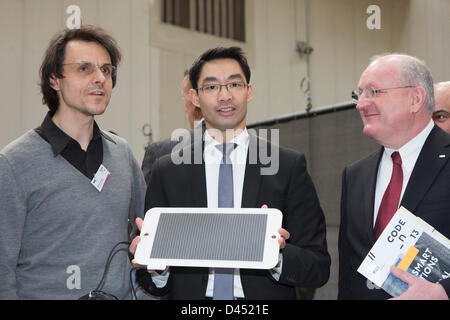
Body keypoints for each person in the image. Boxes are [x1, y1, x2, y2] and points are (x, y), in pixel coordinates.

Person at [130, 46, 330, 300]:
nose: (225, 96)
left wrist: (277, 256)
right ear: (194, 97)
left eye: (234, 84)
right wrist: (156, 268)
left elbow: (319, 265)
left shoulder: (287, 166)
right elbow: (149, 280)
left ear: (249, 91)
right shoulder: (168, 171)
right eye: (212, 87)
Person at [0, 25, 146, 299]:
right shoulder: (13, 164)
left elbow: (148, 241)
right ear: (54, 79)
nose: (99, 78)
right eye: (84, 69)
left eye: (106, 70)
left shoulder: (123, 155)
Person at [339, 53, 450, 300]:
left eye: (374, 92)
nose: (360, 104)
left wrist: (443, 292)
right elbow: (348, 274)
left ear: (416, 99)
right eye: (359, 94)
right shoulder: (355, 175)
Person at [141, 70, 203, 185]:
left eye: (183, 98)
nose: (185, 108)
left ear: (194, 99)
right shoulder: (240, 146)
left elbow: (147, 201)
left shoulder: (159, 153)